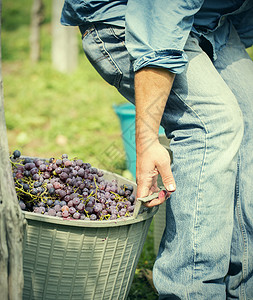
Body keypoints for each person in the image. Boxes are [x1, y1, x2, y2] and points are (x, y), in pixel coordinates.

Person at [61, 1, 253, 298]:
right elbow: (160, 20)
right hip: (126, 16)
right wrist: (148, 139)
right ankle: (191, 291)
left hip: (211, 20)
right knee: (212, 124)